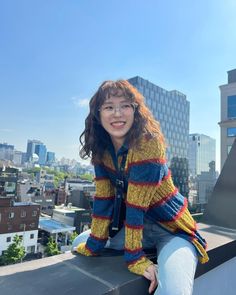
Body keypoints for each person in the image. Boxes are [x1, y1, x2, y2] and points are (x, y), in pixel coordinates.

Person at [73, 80, 209, 295]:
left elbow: (136, 205)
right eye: (109, 107)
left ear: (135, 111)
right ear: (98, 114)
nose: (117, 113)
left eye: (125, 105)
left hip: (171, 230)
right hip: (137, 229)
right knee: (80, 241)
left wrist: (135, 258)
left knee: (174, 291)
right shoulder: (102, 150)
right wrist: (95, 245)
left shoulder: (148, 143)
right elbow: (104, 199)